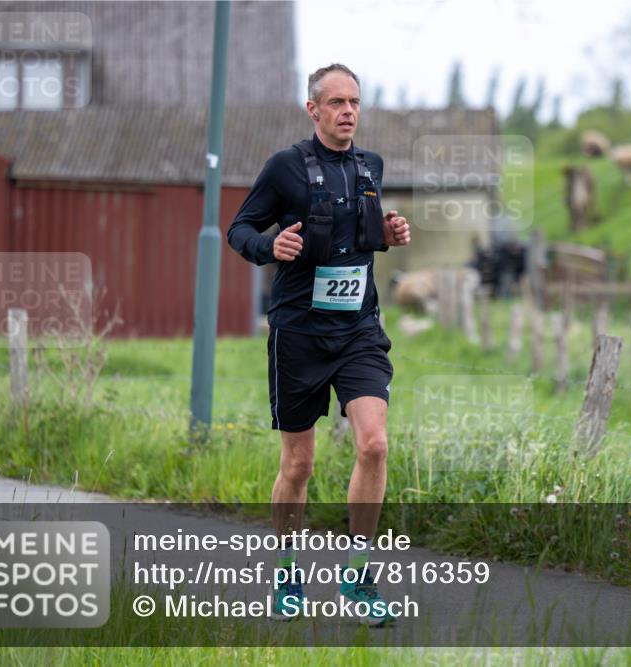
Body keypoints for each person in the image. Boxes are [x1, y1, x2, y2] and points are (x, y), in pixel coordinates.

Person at [226, 63, 411, 626]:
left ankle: (357, 575)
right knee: (299, 464)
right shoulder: (284, 168)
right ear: (314, 109)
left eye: (355, 101)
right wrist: (270, 244)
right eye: (336, 102)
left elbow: (362, 235)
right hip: (299, 333)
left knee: (374, 445)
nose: (348, 111)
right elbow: (240, 229)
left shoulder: (370, 166)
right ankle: (287, 572)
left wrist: (388, 233)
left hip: (357, 329)